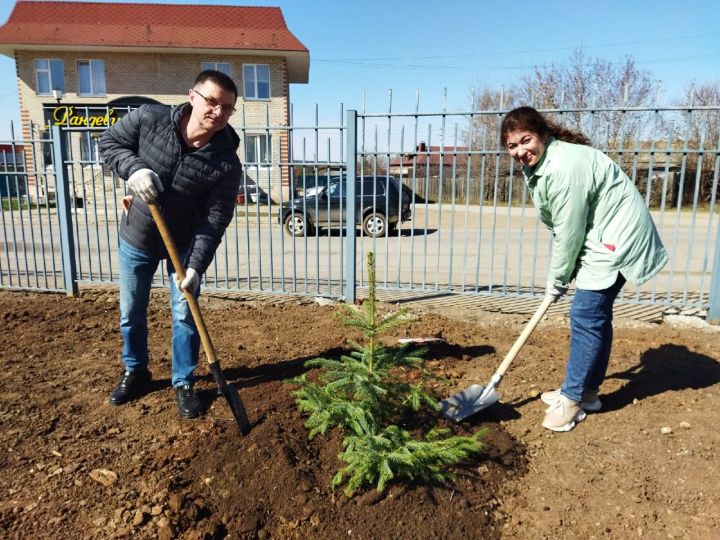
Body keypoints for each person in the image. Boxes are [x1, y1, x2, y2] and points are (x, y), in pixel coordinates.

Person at [500, 106, 668, 432]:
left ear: (542, 135)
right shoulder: (546, 161)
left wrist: (558, 279)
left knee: (586, 316)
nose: (520, 151)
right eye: (512, 146)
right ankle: (588, 393)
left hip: (617, 238)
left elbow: (569, 230)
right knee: (595, 317)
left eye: (526, 140)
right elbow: (570, 225)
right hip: (603, 233)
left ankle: (573, 400)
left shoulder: (564, 167)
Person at [99, 70, 242, 419]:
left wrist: (195, 267)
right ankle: (136, 370)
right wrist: (133, 169)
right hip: (140, 236)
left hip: (185, 245)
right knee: (131, 310)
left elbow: (214, 219)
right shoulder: (149, 119)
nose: (218, 112)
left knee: (185, 314)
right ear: (192, 96)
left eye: (227, 108)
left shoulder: (226, 162)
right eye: (212, 102)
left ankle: (183, 381)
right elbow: (108, 144)